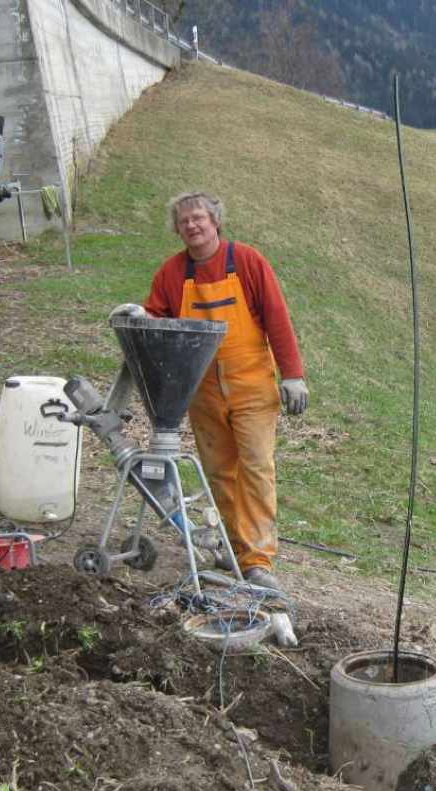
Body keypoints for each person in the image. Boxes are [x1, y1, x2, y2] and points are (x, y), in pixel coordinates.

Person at [144, 191, 308, 593]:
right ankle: (235, 551)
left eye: (199, 218)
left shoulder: (248, 261)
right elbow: (153, 320)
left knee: (255, 468)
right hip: (202, 392)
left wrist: (293, 374)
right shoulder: (172, 274)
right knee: (220, 473)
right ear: (177, 229)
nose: (192, 226)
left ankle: (258, 560)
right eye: (184, 222)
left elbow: (277, 318)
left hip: (252, 385)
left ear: (216, 221)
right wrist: (135, 316)